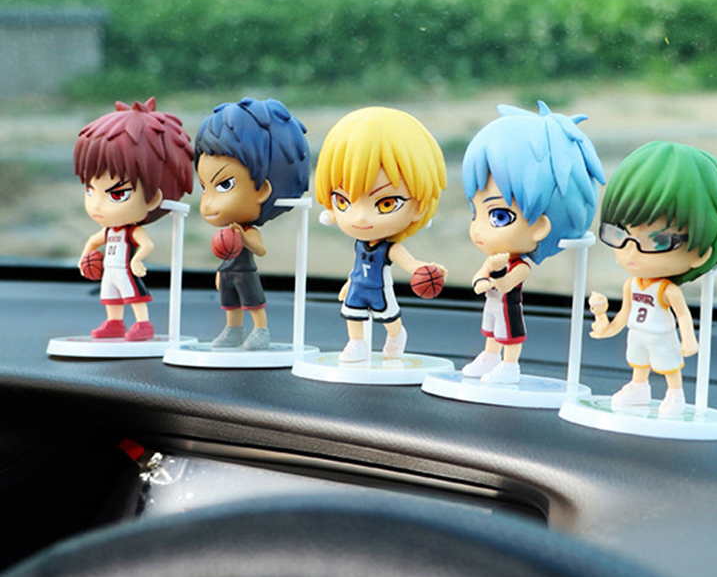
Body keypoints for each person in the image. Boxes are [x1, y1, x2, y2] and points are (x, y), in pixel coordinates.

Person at [588, 140, 717, 416]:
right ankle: (638, 387)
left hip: (661, 335)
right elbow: (624, 314)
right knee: (638, 362)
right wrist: (605, 325)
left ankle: (675, 393)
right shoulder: (632, 284)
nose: (631, 251)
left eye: (659, 241)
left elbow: (682, 315)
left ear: (701, 253)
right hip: (637, 333)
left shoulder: (667, 291)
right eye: (620, 233)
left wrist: (688, 339)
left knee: (669, 366)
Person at [461, 103, 605, 384]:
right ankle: (489, 356)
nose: (478, 230)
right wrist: (481, 280)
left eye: (498, 216)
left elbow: (506, 284)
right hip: (493, 305)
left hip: (508, 306)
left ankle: (509, 365)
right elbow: (481, 275)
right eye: (474, 213)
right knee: (490, 331)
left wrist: (496, 276)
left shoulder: (520, 264)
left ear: (540, 227)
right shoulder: (495, 258)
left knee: (509, 335)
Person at [315, 106, 447, 362]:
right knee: (352, 315)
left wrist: (425, 269)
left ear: (418, 206)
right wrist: (349, 282)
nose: (361, 218)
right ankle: (357, 343)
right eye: (343, 201)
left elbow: (410, 263)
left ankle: (397, 335)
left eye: (386, 204)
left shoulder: (389, 248)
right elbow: (357, 266)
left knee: (389, 316)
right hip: (358, 285)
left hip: (379, 288)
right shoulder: (359, 244)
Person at [194, 97, 310, 350]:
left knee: (253, 303)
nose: (208, 204)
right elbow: (226, 254)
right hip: (228, 272)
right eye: (204, 188)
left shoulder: (246, 230)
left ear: (263, 189)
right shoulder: (228, 231)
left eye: (224, 185)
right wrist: (220, 271)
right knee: (230, 304)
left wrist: (244, 237)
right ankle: (233, 330)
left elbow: (260, 250)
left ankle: (260, 330)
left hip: (246, 273)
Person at [75, 98, 194, 341]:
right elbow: (93, 240)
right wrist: (84, 256)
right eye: (90, 190)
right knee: (110, 297)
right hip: (109, 270)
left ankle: (143, 324)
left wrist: (137, 260)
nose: (97, 205)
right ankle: (114, 323)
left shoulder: (131, 233)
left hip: (126, 269)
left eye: (117, 194)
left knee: (134, 296)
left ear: (153, 199)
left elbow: (147, 244)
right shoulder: (109, 231)